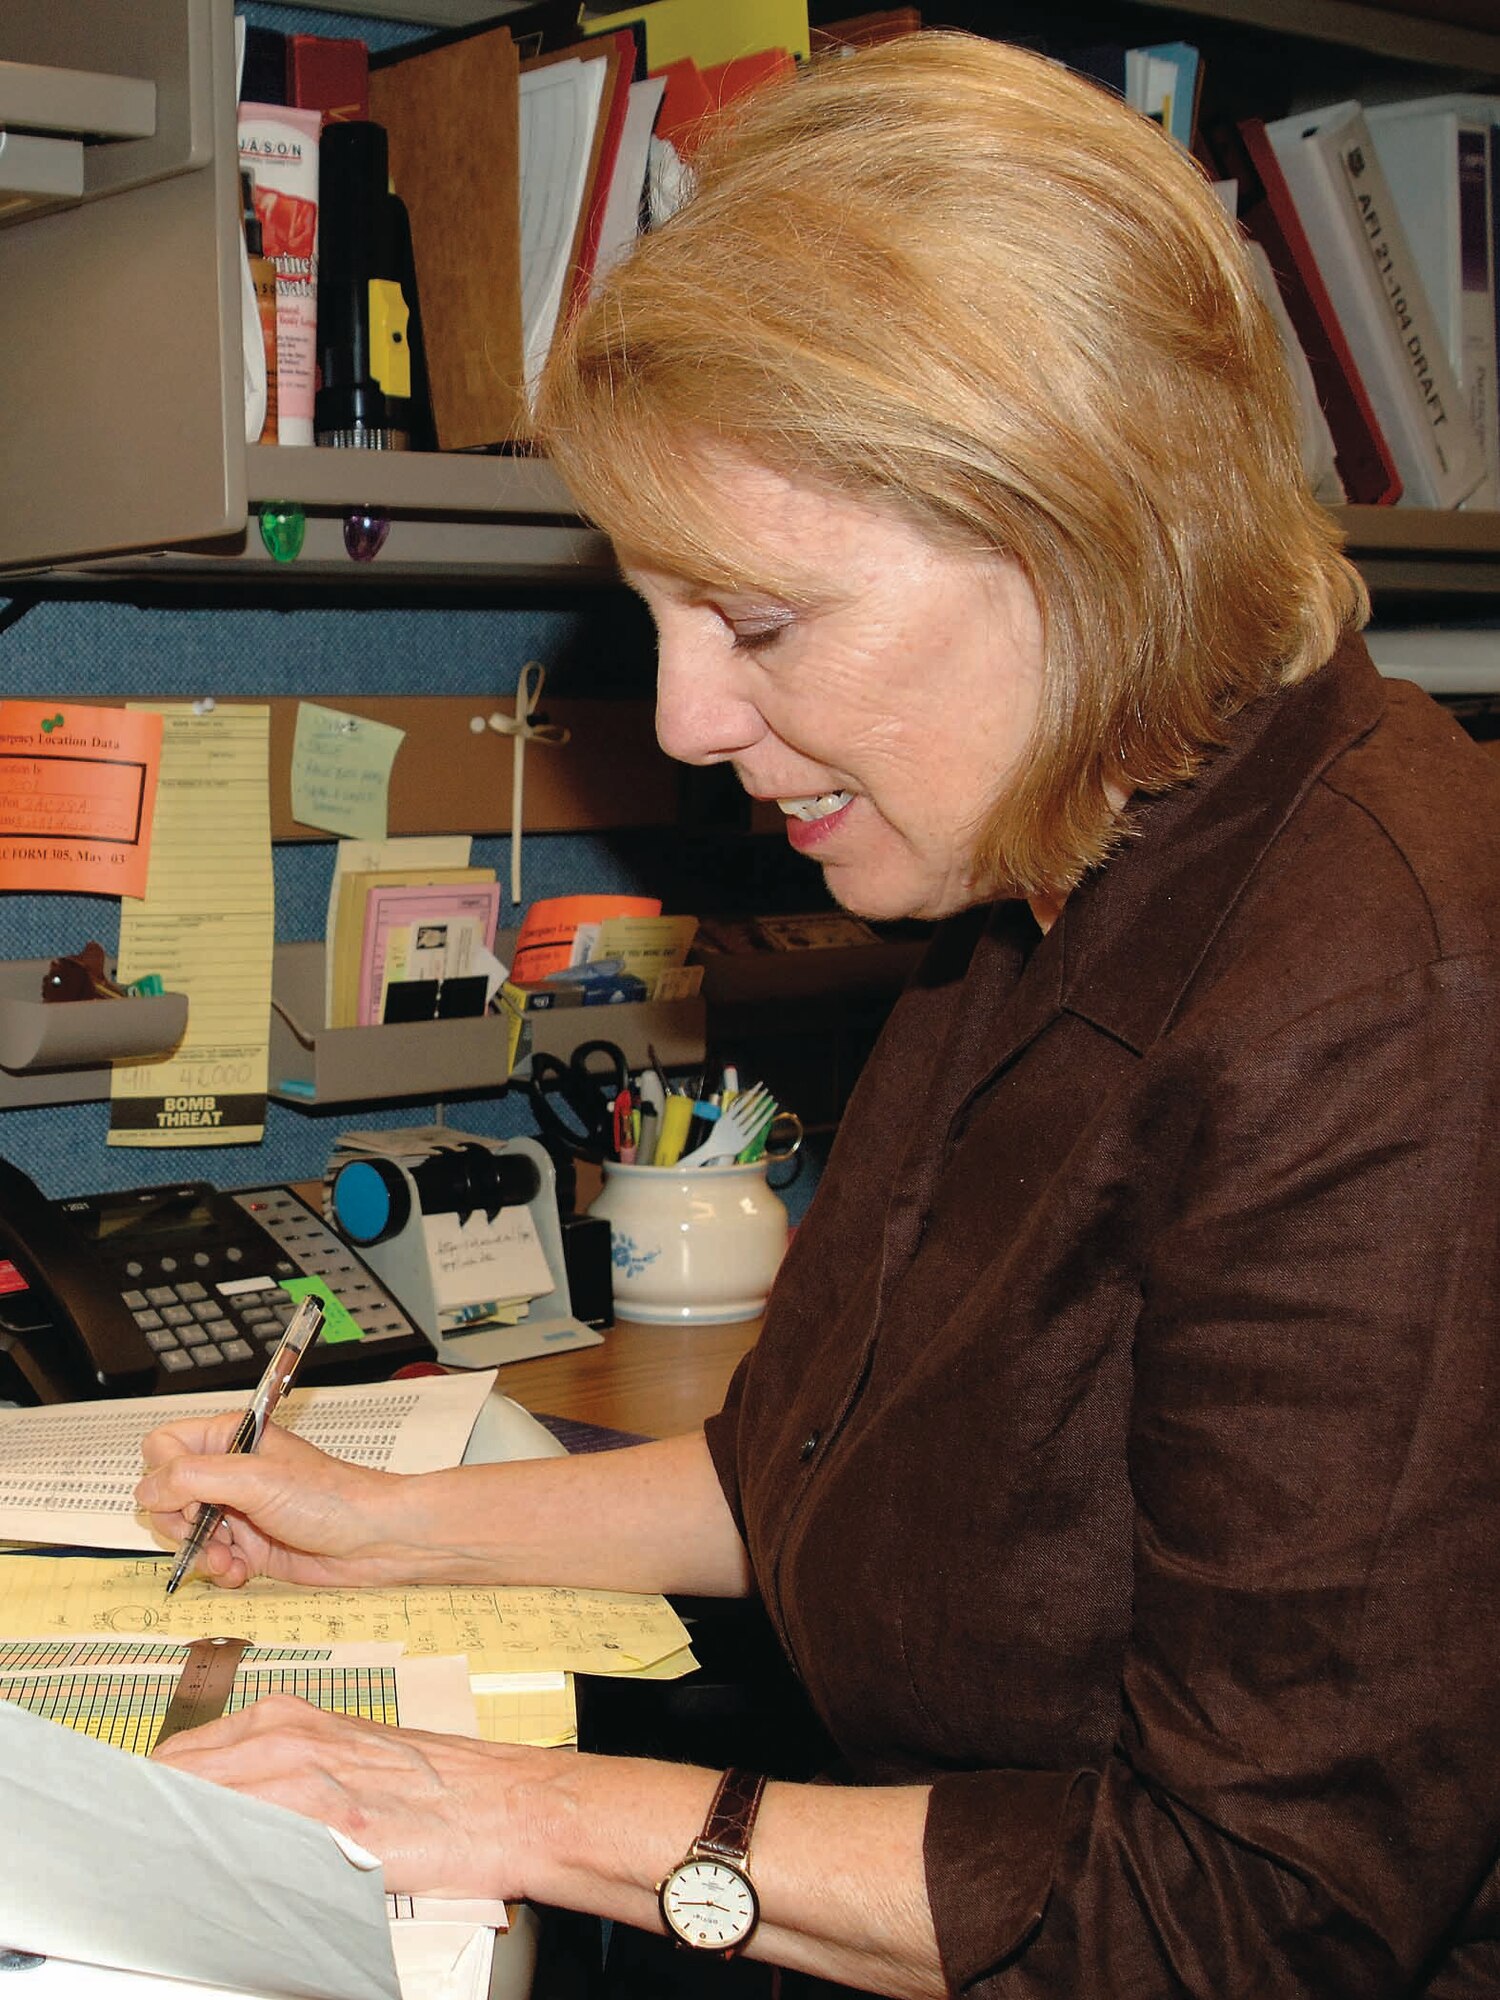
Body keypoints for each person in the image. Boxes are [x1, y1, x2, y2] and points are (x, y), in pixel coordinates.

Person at [135, 31, 1500, 1996]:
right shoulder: (1034, 868)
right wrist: (387, 1530)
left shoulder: (1386, 990)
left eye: (759, 625)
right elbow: (810, 1465)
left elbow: (1244, 1909)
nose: (689, 719)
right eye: (661, 615)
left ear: (1088, 538)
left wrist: (493, 1808)